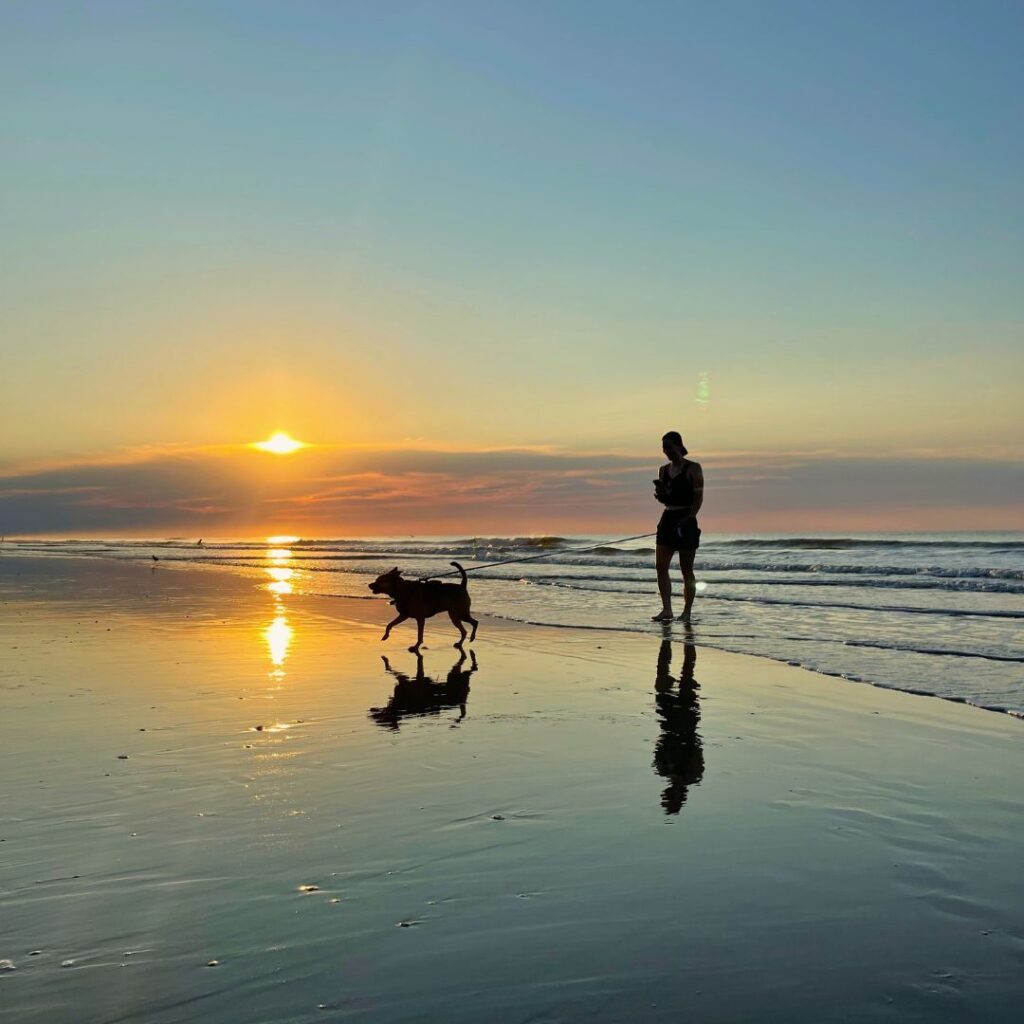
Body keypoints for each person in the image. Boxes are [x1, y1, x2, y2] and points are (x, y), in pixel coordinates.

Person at [651, 430, 703, 621]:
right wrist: (661, 495)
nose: (667, 451)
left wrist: (690, 518)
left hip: (686, 517)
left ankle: (686, 612)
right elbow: (665, 499)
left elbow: (698, 498)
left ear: (679, 447)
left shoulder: (694, 468)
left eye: (670, 448)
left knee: (686, 569)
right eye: (664, 448)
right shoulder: (663, 470)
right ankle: (667, 609)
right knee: (660, 566)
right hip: (668, 517)